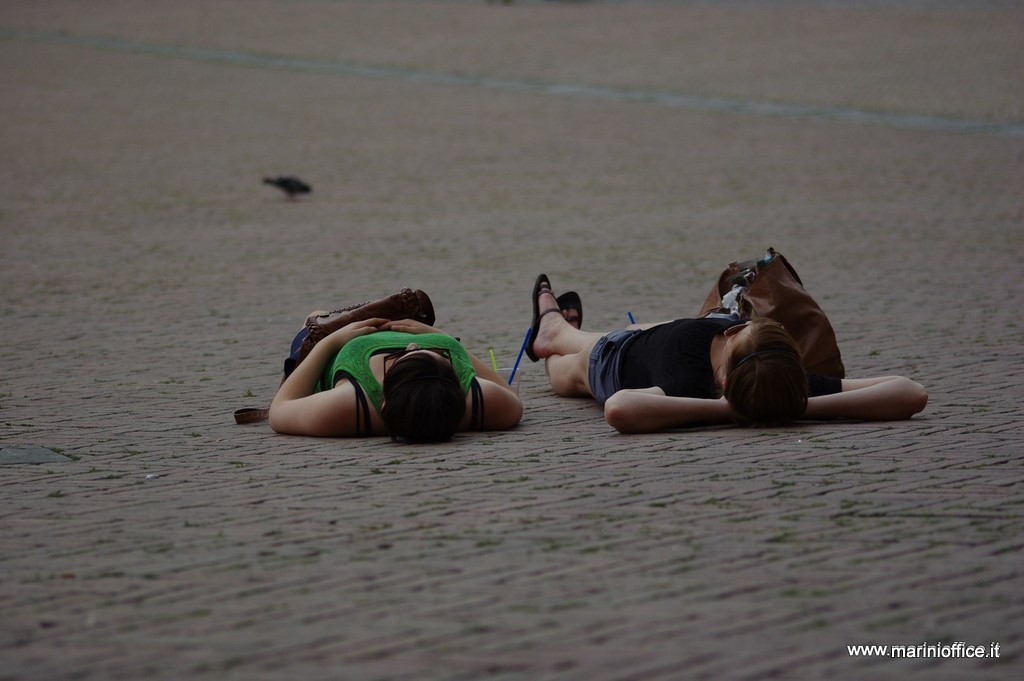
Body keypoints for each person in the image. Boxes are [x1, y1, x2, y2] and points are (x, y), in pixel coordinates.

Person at [525, 274, 928, 433]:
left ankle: (554, 328)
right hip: (654, 337)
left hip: (612, 360)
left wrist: (731, 408)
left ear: (734, 331)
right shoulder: (778, 382)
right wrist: (791, 405)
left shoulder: (691, 382)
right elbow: (910, 392)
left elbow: (617, 407)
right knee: (639, 329)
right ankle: (557, 327)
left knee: (563, 369)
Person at [269, 317, 522, 443]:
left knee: (315, 316)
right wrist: (441, 338)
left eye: (399, 358)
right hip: (411, 323)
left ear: (384, 404)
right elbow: (512, 398)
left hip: (337, 339)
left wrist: (330, 341)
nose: (412, 345)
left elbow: (280, 409)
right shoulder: (477, 401)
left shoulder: (352, 405)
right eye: (440, 354)